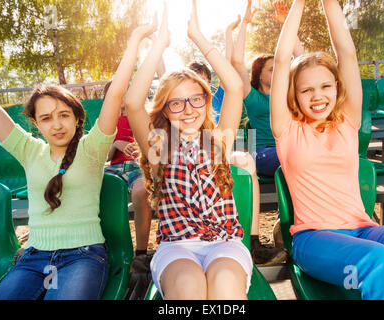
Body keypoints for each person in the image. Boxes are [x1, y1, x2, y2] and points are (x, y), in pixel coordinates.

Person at [0, 21, 157, 300]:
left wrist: (135, 39)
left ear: (76, 117)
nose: (57, 124)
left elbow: (117, 92)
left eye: (64, 114)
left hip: (81, 258)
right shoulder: (28, 149)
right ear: (36, 124)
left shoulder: (93, 147)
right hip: (33, 259)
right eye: (46, 118)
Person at [271, 0, 384, 299]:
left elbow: (346, 52)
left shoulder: (348, 121)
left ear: (337, 88)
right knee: (379, 263)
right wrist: (299, 4)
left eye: (325, 86)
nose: (317, 96)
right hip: (314, 242)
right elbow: (280, 61)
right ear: (295, 95)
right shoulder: (287, 130)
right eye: (306, 90)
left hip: (365, 230)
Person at [124, 1, 252, 299]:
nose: (188, 109)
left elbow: (233, 86)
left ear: (206, 101)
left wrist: (197, 36)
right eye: (176, 103)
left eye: (196, 99)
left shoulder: (219, 139)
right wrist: (160, 42)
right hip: (177, 247)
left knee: (224, 288)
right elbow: (132, 102)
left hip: (225, 244)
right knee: (188, 289)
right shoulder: (159, 147)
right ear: (166, 111)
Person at [188, 60, 287, 265]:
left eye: (203, 85)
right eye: (192, 84)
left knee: (245, 161)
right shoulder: (180, 113)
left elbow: (233, 73)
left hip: (223, 154)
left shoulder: (216, 103)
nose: (198, 91)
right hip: (196, 162)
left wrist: (231, 32)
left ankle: (253, 241)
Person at [232, 0, 304, 178]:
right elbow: (237, 62)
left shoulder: (287, 93)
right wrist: (245, 23)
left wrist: (288, 22)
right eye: (272, 69)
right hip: (263, 154)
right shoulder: (252, 97)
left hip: (289, 149)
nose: (279, 71)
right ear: (259, 75)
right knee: (299, 157)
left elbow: (302, 57)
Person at [102, 81, 154, 273]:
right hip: (114, 167)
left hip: (137, 166)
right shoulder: (106, 120)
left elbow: (153, 147)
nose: (122, 99)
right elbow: (103, 157)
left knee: (142, 191)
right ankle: (112, 249)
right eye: (116, 95)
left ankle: (140, 253)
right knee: (102, 190)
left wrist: (140, 146)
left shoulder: (143, 116)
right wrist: (116, 144)